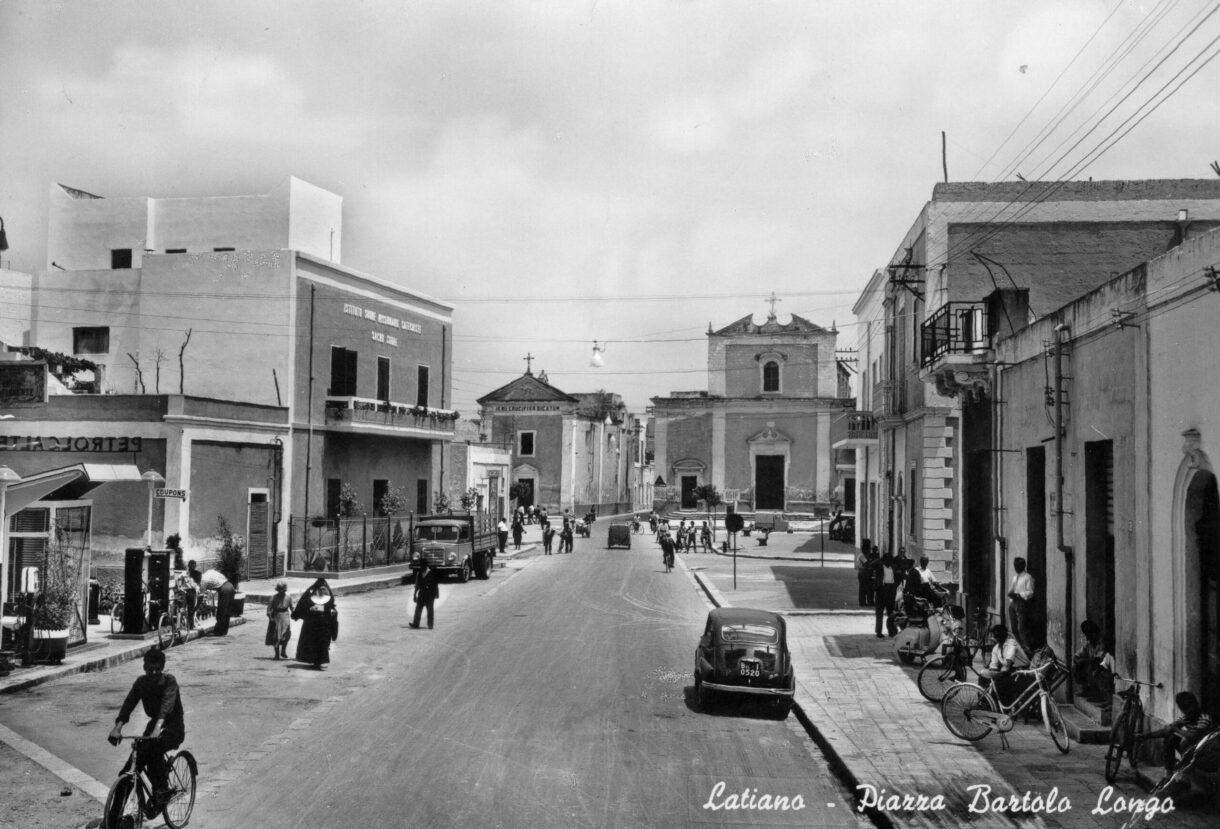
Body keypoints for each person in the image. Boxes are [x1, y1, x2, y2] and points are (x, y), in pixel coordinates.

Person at [108, 648, 184, 811]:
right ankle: (112, 821)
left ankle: (161, 791)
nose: (154, 672)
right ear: (145, 668)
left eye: (158, 668)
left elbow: (166, 707)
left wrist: (157, 728)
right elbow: (129, 704)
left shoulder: (170, 682)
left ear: (162, 667)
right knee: (127, 772)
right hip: (154, 728)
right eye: (150, 668)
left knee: (153, 750)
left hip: (173, 727)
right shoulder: (141, 683)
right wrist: (117, 727)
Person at [1140, 691, 1217, 775]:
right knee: (1170, 737)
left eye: (1189, 706)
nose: (1187, 710)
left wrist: (1176, 729)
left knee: (1184, 740)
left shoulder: (1204, 718)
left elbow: (1193, 736)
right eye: (1184, 708)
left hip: (1206, 754)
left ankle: (1184, 768)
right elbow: (1167, 730)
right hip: (1193, 750)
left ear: (1196, 704)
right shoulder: (1187, 717)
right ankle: (1168, 773)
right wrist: (1146, 736)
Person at [292, 579, 338, 669]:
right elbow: (303, 607)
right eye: (320, 589)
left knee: (323, 644)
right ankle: (316, 662)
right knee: (313, 643)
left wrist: (333, 612)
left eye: (323, 589)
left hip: (324, 625)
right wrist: (310, 609)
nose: (321, 591)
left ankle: (320, 662)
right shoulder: (310, 597)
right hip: (312, 625)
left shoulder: (329, 597)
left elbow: (332, 608)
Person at [982, 624, 1031, 705]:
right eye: (995, 636)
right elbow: (993, 665)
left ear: (1004, 635)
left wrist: (1001, 673)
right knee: (984, 679)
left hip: (1022, 671)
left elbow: (1009, 660)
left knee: (1002, 683)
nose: (996, 638)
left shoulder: (1011, 643)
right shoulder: (996, 648)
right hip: (1009, 671)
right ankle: (986, 702)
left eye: (998, 635)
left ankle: (1006, 705)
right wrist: (991, 674)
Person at [1072, 620, 1115, 702]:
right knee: (1076, 667)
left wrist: (1083, 661)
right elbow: (1077, 655)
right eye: (1086, 634)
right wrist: (1078, 660)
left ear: (1094, 633)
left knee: (1093, 670)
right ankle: (1087, 691)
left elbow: (1098, 660)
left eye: (1089, 634)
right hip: (1094, 666)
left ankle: (1101, 697)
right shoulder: (1089, 643)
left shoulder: (1101, 643)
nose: (1087, 637)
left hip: (1106, 668)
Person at [1007, 556, 1035, 650]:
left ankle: (1027, 649)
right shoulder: (1015, 577)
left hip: (1022, 603)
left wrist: (1018, 595)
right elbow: (1012, 589)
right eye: (1015, 566)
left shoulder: (1028, 577)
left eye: (1018, 566)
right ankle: (1020, 647)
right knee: (1014, 627)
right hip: (1013, 603)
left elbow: (1030, 592)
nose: (1016, 568)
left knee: (1021, 628)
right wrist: (1011, 594)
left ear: (1023, 566)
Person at [199, 566, 235, 636]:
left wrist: (197, 605)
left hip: (224, 589)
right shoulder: (208, 572)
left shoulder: (203, 581)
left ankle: (218, 632)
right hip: (230, 586)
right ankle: (224, 631)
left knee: (221, 610)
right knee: (227, 611)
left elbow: (201, 596)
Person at [265, 580, 294, 660]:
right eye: (280, 590)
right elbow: (269, 609)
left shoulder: (288, 597)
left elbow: (292, 608)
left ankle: (283, 650)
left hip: (285, 617)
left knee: (286, 634)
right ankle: (277, 654)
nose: (281, 591)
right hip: (276, 617)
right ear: (278, 590)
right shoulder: (273, 598)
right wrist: (271, 618)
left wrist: (295, 615)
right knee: (276, 636)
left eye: (283, 590)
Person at [871, 552, 898, 638]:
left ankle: (892, 631)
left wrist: (895, 587)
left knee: (891, 613)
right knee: (879, 613)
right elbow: (871, 564)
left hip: (891, 590)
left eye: (890, 560)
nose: (889, 562)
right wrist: (880, 559)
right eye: (887, 560)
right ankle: (879, 632)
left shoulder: (893, 567)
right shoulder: (879, 566)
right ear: (884, 560)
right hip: (881, 590)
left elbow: (898, 576)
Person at [410, 560, 439, 629]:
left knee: (430, 610)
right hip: (422, 594)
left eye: (423, 566)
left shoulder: (432, 573)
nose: (422, 568)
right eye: (421, 566)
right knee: (418, 609)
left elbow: (435, 585)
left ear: (426, 566)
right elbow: (417, 585)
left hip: (430, 594)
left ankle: (430, 624)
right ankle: (416, 624)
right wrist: (414, 595)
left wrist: (436, 594)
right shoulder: (419, 574)